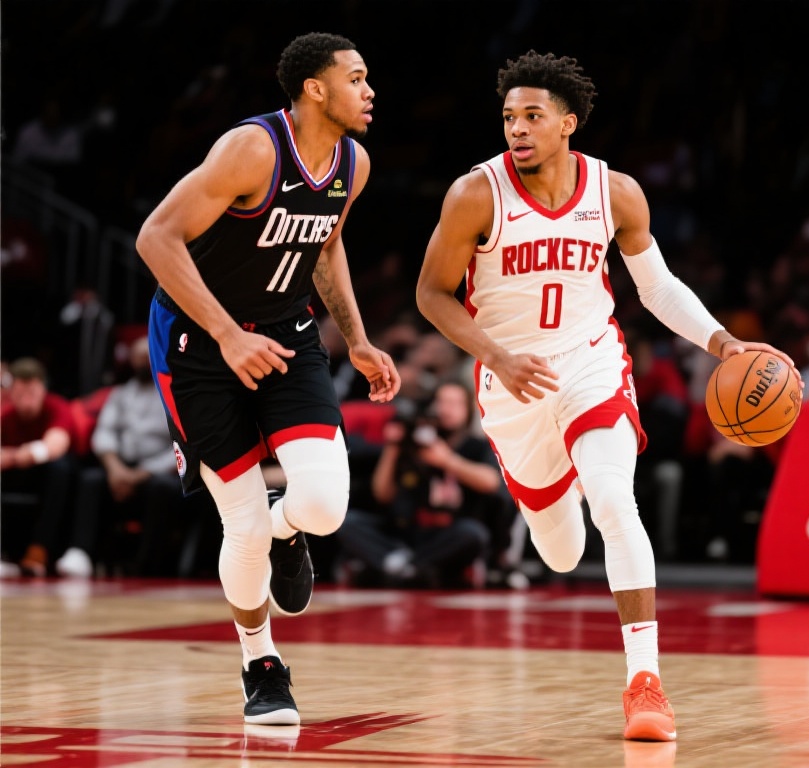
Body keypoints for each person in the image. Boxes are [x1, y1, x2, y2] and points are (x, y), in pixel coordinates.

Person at [416, 50, 800, 741]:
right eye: (509, 117)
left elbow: (656, 288)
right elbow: (431, 293)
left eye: (533, 115)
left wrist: (722, 344)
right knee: (560, 552)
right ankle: (553, 488)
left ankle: (645, 684)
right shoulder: (475, 193)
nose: (517, 128)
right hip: (511, 383)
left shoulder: (615, 192)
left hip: (591, 361)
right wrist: (496, 356)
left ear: (568, 122)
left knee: (615, 500)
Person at [135, 32, 400, 726]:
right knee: (243, 525)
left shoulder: (353, 163)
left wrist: (358, 339)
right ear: (315, 88)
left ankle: (290, 530)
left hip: (287, 333)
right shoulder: (252, 149)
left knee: (324, 506)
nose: (369, 90)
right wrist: (227, 334)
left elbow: (326, 245)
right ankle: (261, 662)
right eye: (356, 78)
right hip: (199, 344)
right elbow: (155, 237)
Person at [337, 379, 502, 588]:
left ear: (467, 410)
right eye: (442, 402)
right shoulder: (412, 442)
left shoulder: (476, 445)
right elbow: (382, 494)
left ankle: (398, 567)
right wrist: (393, 448)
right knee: (348, 523)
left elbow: (491, 482)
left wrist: (448, 461)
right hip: (404, 532)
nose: (446, 410)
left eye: (454, 403)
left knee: (473, 534)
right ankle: (409, 568)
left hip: (445, 534)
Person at [55, 336, 186, 578]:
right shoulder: (120, 394)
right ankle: (81, 553)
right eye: (137, 357)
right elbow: (104, 433)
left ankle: (147, 564)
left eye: (147, 356)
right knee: (91, 480)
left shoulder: (175, 393)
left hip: (157, 471)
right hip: (120, 466)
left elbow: (182, 445)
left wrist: (142, 474)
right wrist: (115, 469)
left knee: (163, 488)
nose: (142, 361)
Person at [0, 358, 77, 576]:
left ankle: (39, 550)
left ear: (43, 389)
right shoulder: (5, 414)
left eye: (31, 393)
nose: (26, 401)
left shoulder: (57, 406)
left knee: (60, 468)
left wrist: (25, 453)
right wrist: (19, 455)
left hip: (53, 478)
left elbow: (55, 445)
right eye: (20, 394)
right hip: (18, 475)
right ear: (11, 393)